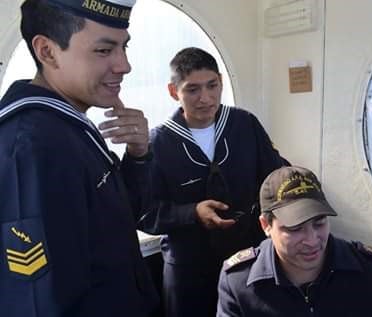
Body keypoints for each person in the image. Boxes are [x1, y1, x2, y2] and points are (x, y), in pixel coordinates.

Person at [0, 1, 159, 316]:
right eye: (104, 51)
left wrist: (139, 156)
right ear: (47, 51)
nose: (124, 65)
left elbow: (121, 218)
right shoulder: (32, 146)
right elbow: (37, 301)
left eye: (124, 48)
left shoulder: (68, 125)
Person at [138, 47, 287, 317]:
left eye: (212, 86)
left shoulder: (245, 124)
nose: (205, 98)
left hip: (246, 257)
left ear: (221, 81)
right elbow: (145, 213)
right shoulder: (157, 143)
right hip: (188, 269)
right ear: (174, 92)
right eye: (192, 89)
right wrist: (191, 212)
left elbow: (275, 174)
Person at [217, 166, 372, 317]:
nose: (311, 240)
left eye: (319, 223)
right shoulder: (239, 282)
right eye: (295, 229)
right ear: (266, 225)